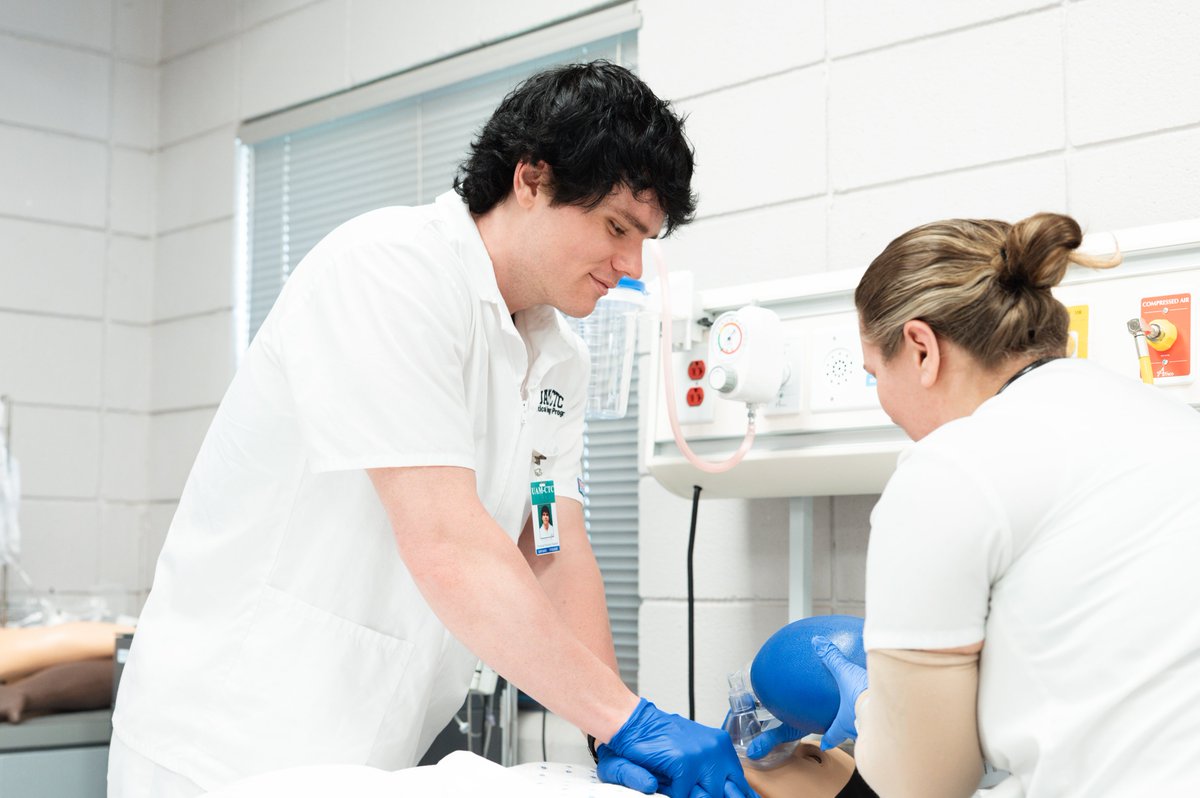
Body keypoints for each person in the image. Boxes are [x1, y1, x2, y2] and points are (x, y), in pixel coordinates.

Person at [108, 61, 754, 798]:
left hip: (368, 752)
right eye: (616, 228)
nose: (632, 266)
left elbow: (552, 546)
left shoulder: (557, 361)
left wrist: (606, 729)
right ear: (532, 179)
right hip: (226, 743)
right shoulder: (388, 273)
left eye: (647, 239)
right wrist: (632, 719)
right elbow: (446, 542)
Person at [756, 213, 1200, 796]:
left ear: (920, 349)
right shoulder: (1174, 425)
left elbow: (927, 785)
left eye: (874, 374)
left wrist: (869, 704)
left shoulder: (949, 469)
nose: (885, 404)